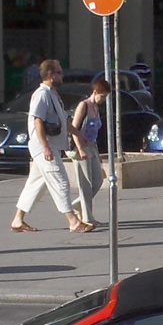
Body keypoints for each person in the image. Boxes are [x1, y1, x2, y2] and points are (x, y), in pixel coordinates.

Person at [10, 59, 91, 234]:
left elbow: (64, 122)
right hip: (44, 147)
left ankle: (18, 220)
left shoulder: (52, 94)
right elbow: (37, 121)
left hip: (50, 146)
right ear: (50, 75)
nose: (62, 76)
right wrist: (45, 146)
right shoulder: (41, 95)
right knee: (60, 181)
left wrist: (79, 135)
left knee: (35, 184)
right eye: (59, 72)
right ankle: (73, 221)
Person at [68, 78, 109, 229]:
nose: (103, 99)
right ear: (95, 92)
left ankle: (75, 206)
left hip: (92, 147)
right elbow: (74, 129)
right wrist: (80, 148)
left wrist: (97, 154)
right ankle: (87, 217)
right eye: (102, 96)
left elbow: (95, 134)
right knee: (85, 184)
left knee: (97, 181)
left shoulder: (96, 108)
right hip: (81, 148)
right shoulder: (83, 106)